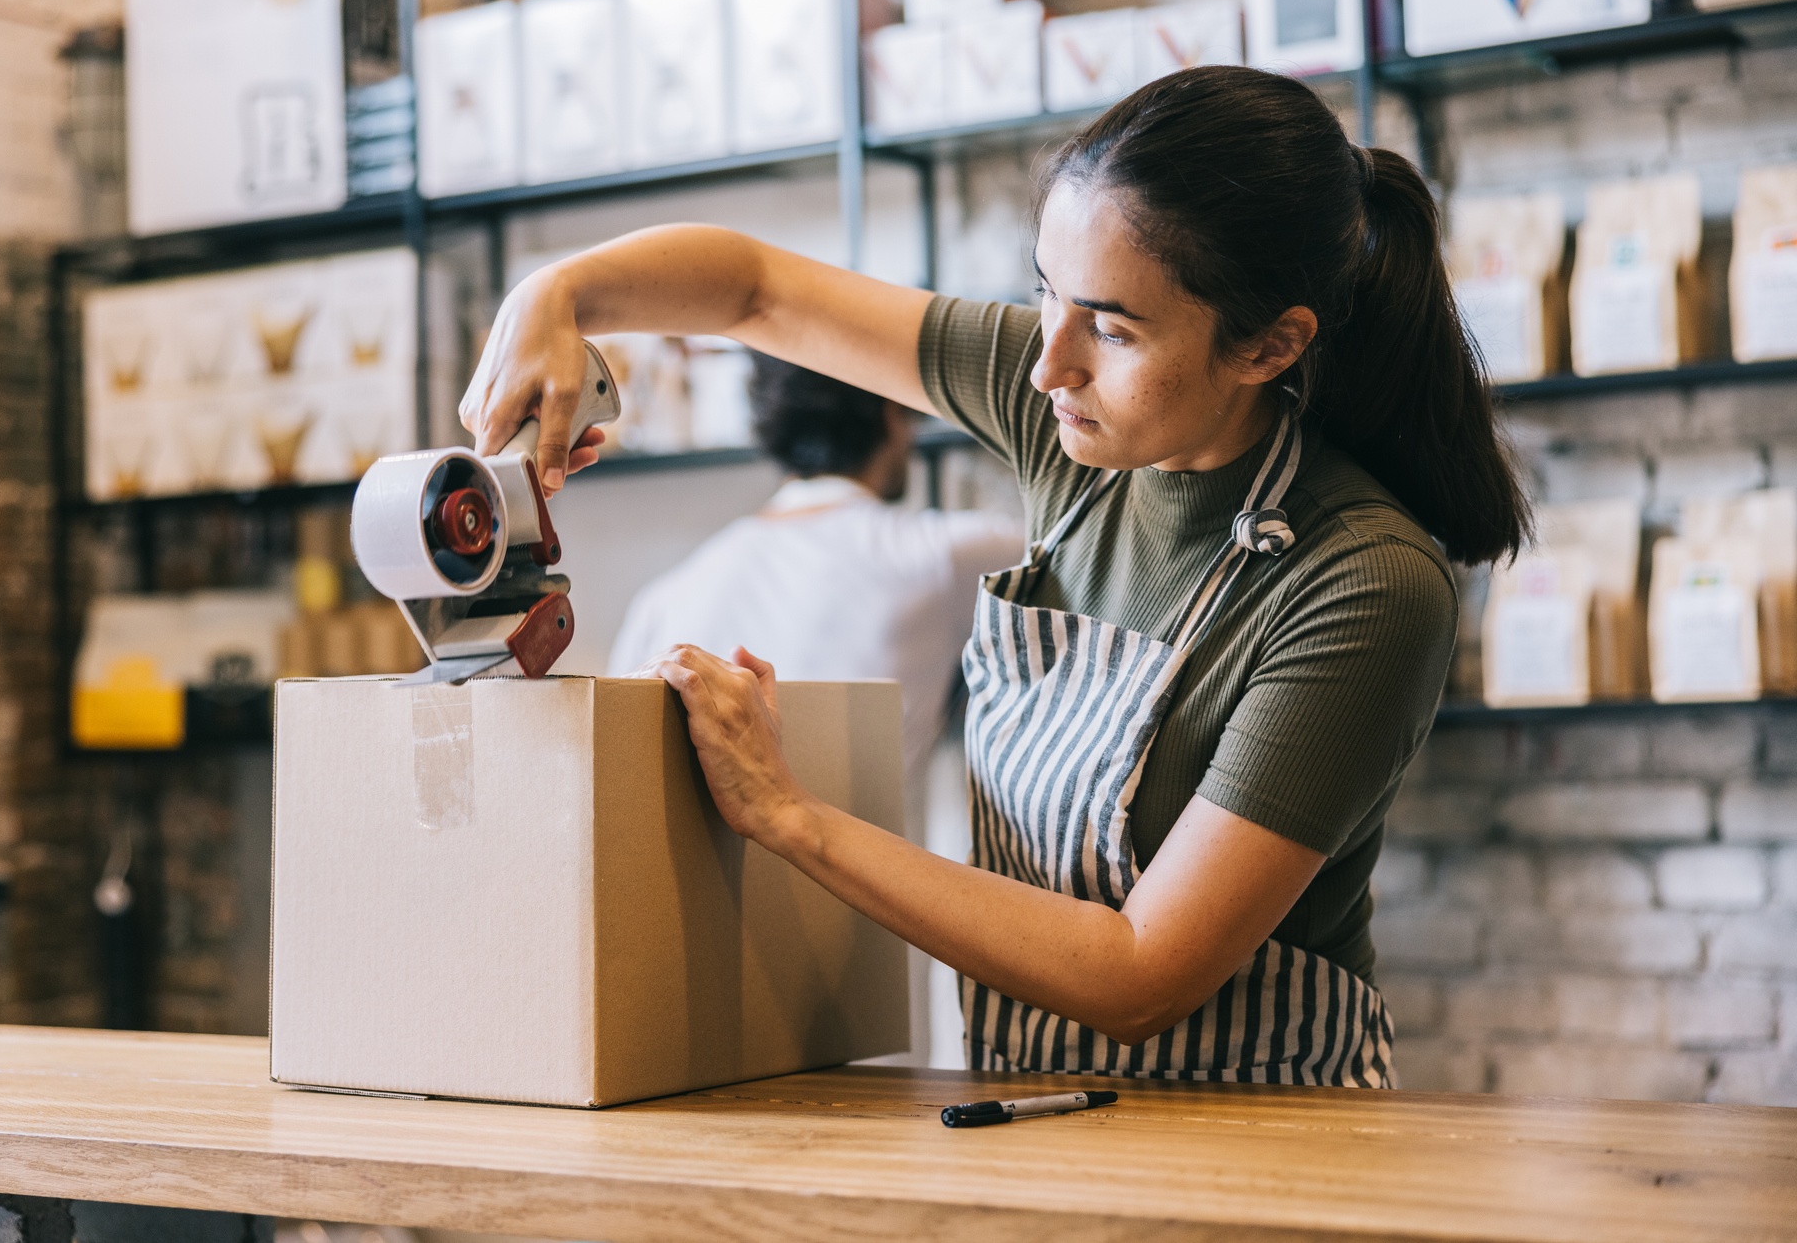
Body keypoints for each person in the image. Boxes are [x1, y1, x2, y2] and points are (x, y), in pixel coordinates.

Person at [460, 66, 1526, 1086]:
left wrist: (790, 816)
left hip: (1262, 1146)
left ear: (1267, 347)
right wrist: (553, 296)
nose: (1044, 362)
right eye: (1043, 296)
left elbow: (1141, 972)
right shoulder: (1066, 421)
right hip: (1032, 1109)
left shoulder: (1363, 583)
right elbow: (751, 290)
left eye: (1109, 326)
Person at [607, 355, 1021, 800]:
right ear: (891, 415)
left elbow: (618, 774)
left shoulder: (666, 596)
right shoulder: (941, 558)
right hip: (871, 868)